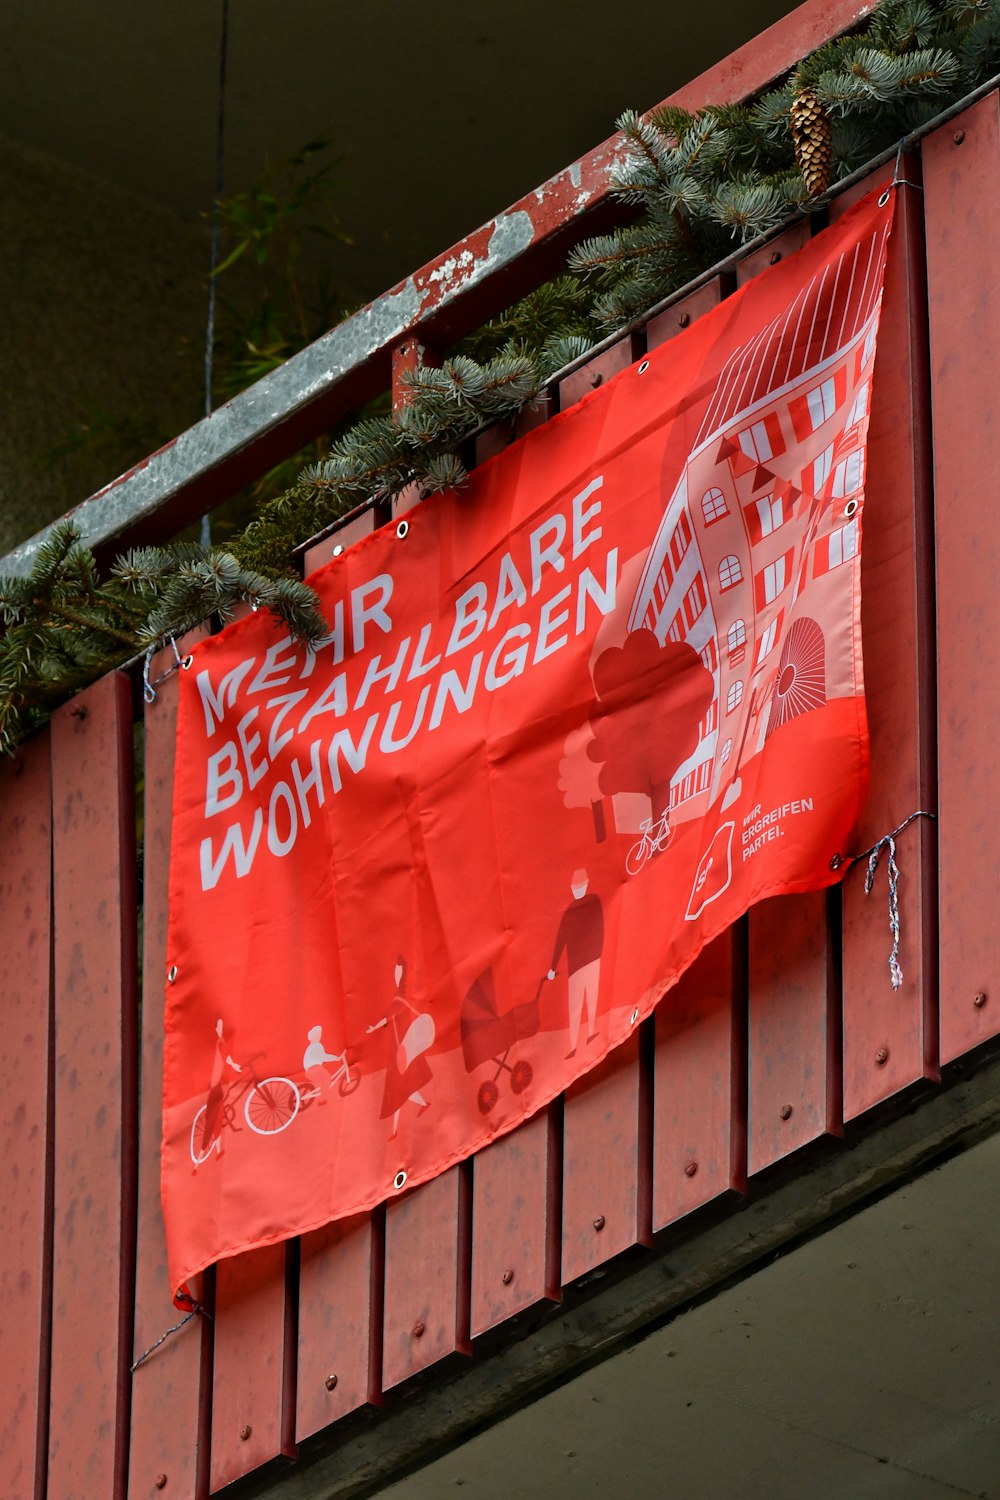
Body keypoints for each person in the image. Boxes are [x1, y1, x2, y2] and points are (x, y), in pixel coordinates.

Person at [367, 956, 433, 1138]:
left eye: (398, 971)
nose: (396, 976)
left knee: (398, 1092)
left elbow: (389, 1015)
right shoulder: (400, 998)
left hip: (401, 1051)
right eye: (395, 971)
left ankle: (397, 1129)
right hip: (399, 1051)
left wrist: (375, 1027)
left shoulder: (400, 999)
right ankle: (416, 1111)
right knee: (399, 1092)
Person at [547, 868, 604, 1058]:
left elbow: (559, 942)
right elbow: (560, 941)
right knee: (584, 1003)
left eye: (578, 886)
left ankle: (583, 1039)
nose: (577, 889)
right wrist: (553, 968)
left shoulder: (584, 906)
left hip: (582, 965)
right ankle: (577, 1042)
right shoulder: (582, 906)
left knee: (582, 1004)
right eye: (576, 887)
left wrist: (552, 969)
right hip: (585, 964)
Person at [302, 1025, 342, 1100]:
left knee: (323, 1080)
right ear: (313, 1037)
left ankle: (325, 1094)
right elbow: (322, 1056)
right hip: (314, 1069)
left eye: (319, 1034)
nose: (319, 1036)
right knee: (326, 1078)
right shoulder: (316, 1046)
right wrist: (335, 1058)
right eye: (317, 1035)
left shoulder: (311, 1047)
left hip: (310, 1070)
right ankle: (323, 1098)